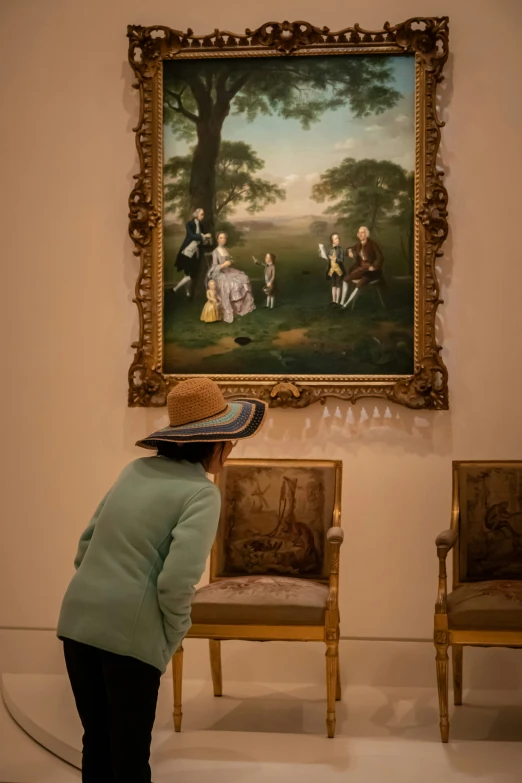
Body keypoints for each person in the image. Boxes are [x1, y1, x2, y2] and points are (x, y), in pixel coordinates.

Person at [57, 378, 267, 783]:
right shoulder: (201, 494)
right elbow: (175, 582)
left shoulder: (134, 470)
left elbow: (85, 547)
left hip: (77, 621)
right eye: (230, 440)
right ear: (213, 442)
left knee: (96, 742)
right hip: (129, 637)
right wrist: (173, 634)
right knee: (130, 754)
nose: (232, 449)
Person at [208, 231, 255, 323]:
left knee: (244, 278)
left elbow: (230, 260)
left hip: (228, 271)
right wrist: (223, 265)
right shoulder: (215, 252)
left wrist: (230, 262)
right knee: (233, 284)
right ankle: (232, 309)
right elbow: (214, 267)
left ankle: (242, 307)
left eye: (224, 238)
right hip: (220, 274)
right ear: (217, 239)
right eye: (221, 238)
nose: (223, 239)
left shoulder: (226, 249)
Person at [341, 226, 384, 309]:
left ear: (367, 234)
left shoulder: (372, 244)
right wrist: (349, 251)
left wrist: (374, 266)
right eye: (359, 233)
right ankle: (342, 302)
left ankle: (345, 306)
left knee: (360, 284)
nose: (360, 234)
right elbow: (349, 250)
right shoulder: (358, 245)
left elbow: (380, 257)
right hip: (361, 269)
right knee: (345, 279)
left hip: (372, 271)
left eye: (362, 232)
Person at [173, 208, 212, 299]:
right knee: (189, 274)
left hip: (195, 252)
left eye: (203, 214)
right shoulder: (189, 224)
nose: (203, 216)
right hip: (187, 251)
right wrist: (204, 235)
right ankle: (175, 289)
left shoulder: (201, 226)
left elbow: (200, 240)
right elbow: (191, 236)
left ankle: (186, 292)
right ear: (196, 214)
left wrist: (205, 240)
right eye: (201, 214)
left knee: (188, 274)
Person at [325, 233, 346, 306]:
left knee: (338, 285)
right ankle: (333, 300)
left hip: (339, 270)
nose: (338, 239)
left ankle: (337, 301)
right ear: (332, 240)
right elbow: (328, 258)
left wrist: (334, 258)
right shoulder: (330, 249)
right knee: (333, 285)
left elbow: (342, 260)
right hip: (332, 270)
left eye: (338, 238)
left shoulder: (341, 249)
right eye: (336, 238)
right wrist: (323, 255)